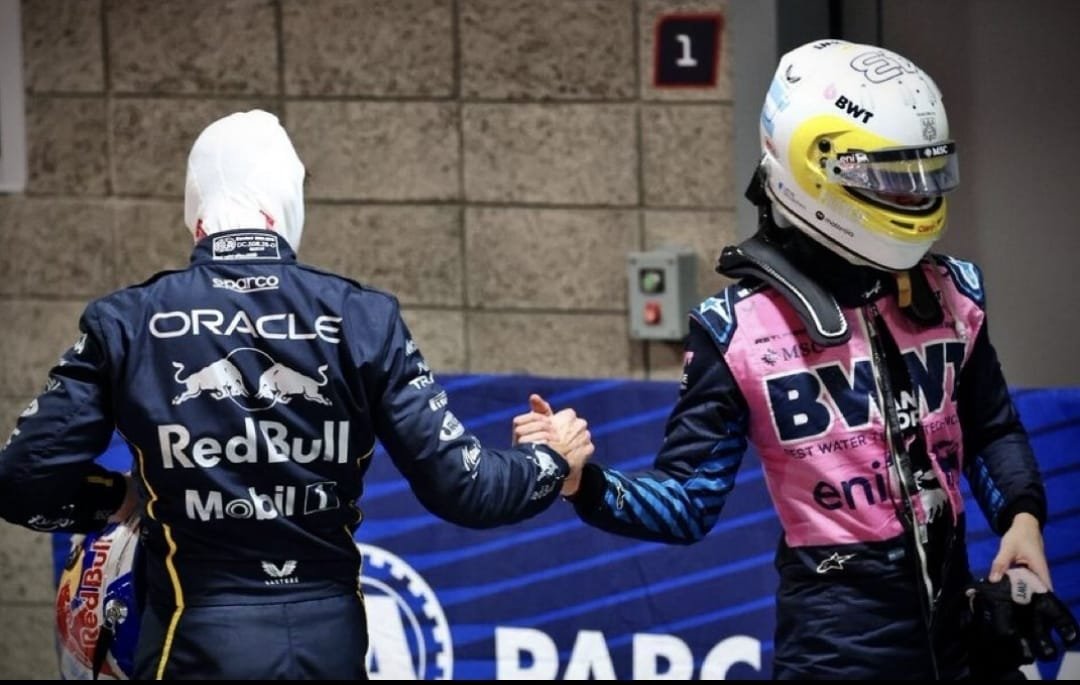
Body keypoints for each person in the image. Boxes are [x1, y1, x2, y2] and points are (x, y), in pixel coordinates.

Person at [513, 39, 1077, 679]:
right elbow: (686, 504)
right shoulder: (737, 329)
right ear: (816, 171)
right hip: (835, 654)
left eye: (923, 176)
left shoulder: (952, 293)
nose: (914, 197)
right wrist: (580, 481)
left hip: (958, 641)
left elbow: (991, 429)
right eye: (893, 179)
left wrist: (1022, 521)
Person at [0, 109, 592, 680]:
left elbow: (21, 482)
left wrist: (118, 497)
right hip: (329, 641)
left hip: (194, 639)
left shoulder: (125, 321)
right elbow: (467, 489)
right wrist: (550, 460)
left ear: (196, 210)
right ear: (284, 202)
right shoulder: (363, 316)